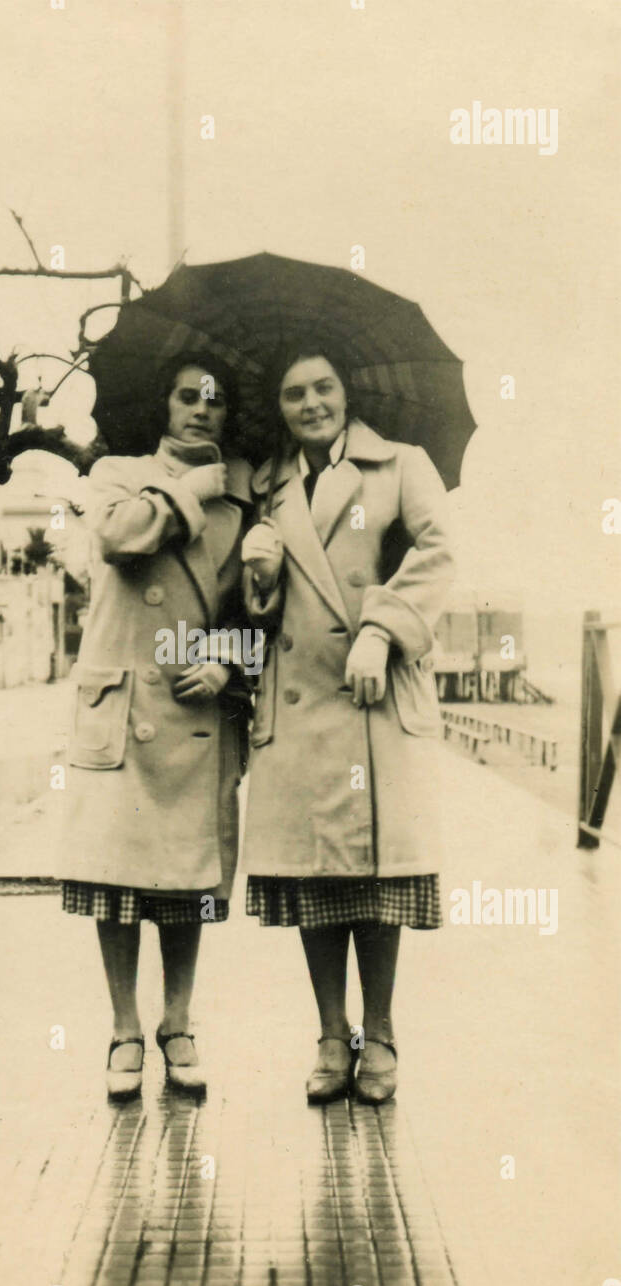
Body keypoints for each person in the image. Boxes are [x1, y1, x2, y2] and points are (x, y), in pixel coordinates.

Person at [241, 345, 454, 1103]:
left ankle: (382, 1032)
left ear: (345, 393)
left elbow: (440, 552)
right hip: (298, 702)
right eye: (293, 392)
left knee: (377, 880)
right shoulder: (264, 485)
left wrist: (379, 629)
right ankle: (332, 1035)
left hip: (375, 697)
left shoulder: (400, 464)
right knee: (314, 881)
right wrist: (259, 578)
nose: (311, 403)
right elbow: (259, 618)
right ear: (280, 406)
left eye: (323, 387)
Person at [59, 355, 251, 1100]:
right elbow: (115, 537)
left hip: (192, 707)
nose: (200, 410)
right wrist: (185, 490)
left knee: (184, 882)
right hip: (122, 701)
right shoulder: (116, 471)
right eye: (186, 396)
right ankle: (121, 1029)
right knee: (114, 881)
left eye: (215, 399)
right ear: (165, 406)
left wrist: (229, 664)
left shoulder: (242, 505)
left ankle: (177, 1023)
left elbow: (247, 614)